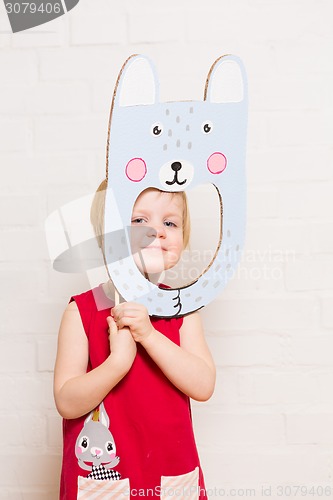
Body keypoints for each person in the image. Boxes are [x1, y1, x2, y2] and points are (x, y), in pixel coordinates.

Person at [54, 180, 216, 499]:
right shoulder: (82, 311)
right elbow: (66, 402)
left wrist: (149, 335)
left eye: (169, 222)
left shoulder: (183, 311)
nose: (156, 231)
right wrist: (117, 364)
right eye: (138, 220)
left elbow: (203, 385)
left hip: (169, 470)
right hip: (106, 473)